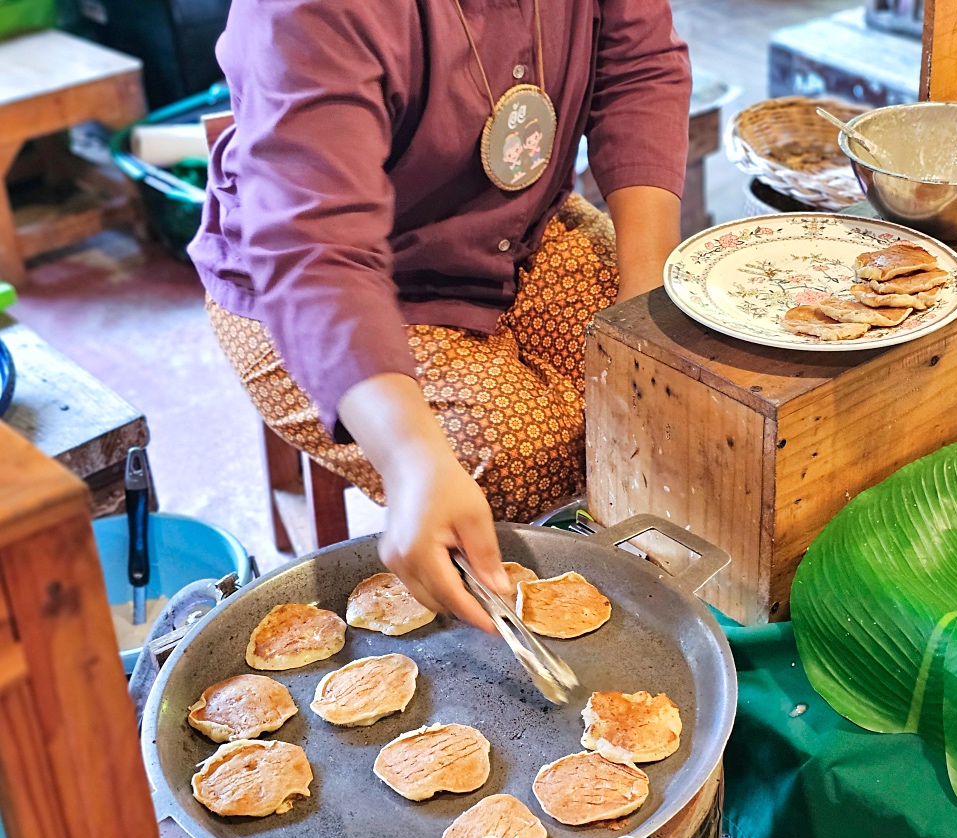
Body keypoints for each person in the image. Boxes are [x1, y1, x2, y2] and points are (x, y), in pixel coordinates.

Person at [189, 0, 691, 630]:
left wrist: (640, 316)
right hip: (334, 288)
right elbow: (316, 246)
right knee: (520, 458)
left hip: (519, 226)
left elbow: (638, 68)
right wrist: (410, 459)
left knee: (671, 393)